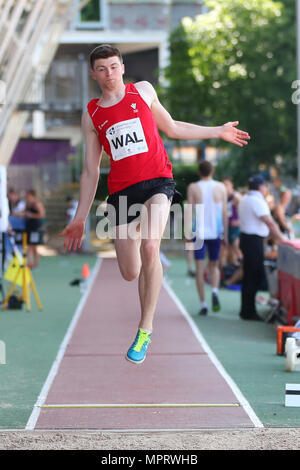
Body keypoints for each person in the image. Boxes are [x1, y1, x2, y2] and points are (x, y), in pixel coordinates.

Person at [60, 44, 250, 364]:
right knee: (130, 272)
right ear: (94, 74)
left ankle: (145, 329)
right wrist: (80, 216)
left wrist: (216, 131)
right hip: (121, 193)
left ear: (123, 67)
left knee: (151, 247)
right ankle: (135, 236)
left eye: (114, 66)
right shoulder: (91, 114)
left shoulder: (143, 92)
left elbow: (173, 128)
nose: (110, 74)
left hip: (158, 183)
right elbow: (91, 171)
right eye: (102, 69)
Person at [238, 175, 285, 321]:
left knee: (249, 276)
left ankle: (246, 309)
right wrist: (283, 240)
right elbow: (269, 222)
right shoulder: (257, 200)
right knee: (254, 276)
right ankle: (249, 311)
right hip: (253, 241)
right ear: (260, 187)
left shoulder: (245, 198)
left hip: (247, 238)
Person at [186, 160, 228, 316]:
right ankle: (215, 290)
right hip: (216, 232)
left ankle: (203, 304)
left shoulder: (193, 187)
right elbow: (224, 213)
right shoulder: (221, 187)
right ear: (212, 171)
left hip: (199, 233)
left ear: (199, 172)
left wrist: (187, 232)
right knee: (214, 266)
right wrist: (226, 234)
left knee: (199, 269)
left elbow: (189, 209)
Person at [222, 176, 242, 266]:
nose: (225, 187)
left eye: (226, 185)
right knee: (225, 253)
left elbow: (245, 211)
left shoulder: (236, 196)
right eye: (223, 185)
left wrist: (240, 222)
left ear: (231, 185)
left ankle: (243, 269)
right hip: (226, 227)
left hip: (235, 228)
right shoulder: (223, 198)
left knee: (236, 250)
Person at [25, 189, 45, 268]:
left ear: (32, 195)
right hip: (29, 227)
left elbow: (42, 215)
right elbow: (24, 212)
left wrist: (31, 215)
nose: (26, 196)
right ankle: (30, 263)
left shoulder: (37, 203)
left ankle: (36, 263)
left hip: (35, 227)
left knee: (34, 246)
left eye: (28, 194)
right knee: (29, 245)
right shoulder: (28, 204)